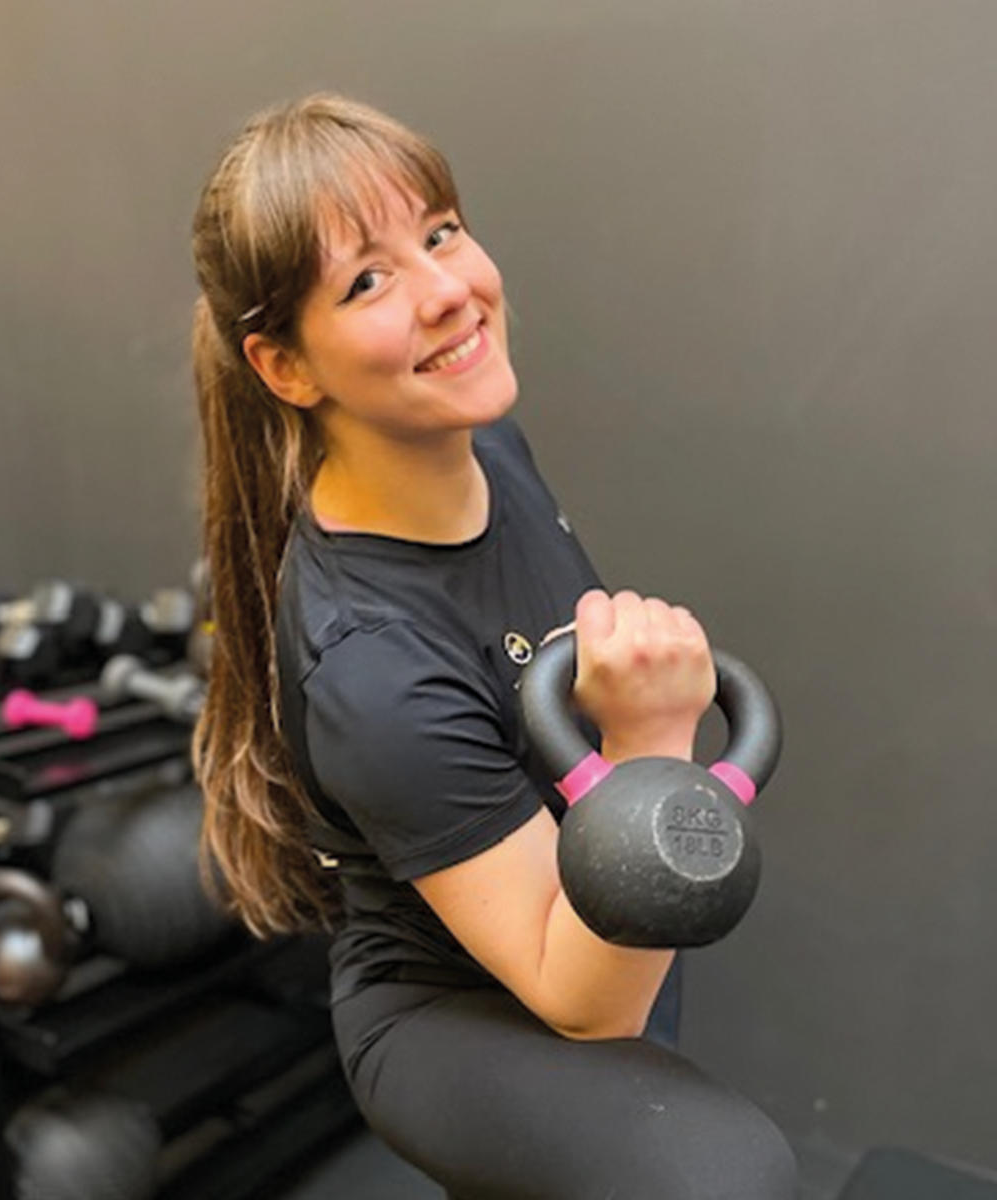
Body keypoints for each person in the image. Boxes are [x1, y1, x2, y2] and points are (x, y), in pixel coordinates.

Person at [190, 93, 797, 1200]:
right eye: (367, 281)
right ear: (285, 367)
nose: (446, 292)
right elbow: (585, 1003)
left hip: (581, 889)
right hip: (460, 1008)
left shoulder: (481, 439)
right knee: (721, 1174)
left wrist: (633, 757)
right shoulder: (370, 668)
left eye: (440, 231)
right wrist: (657, 734)